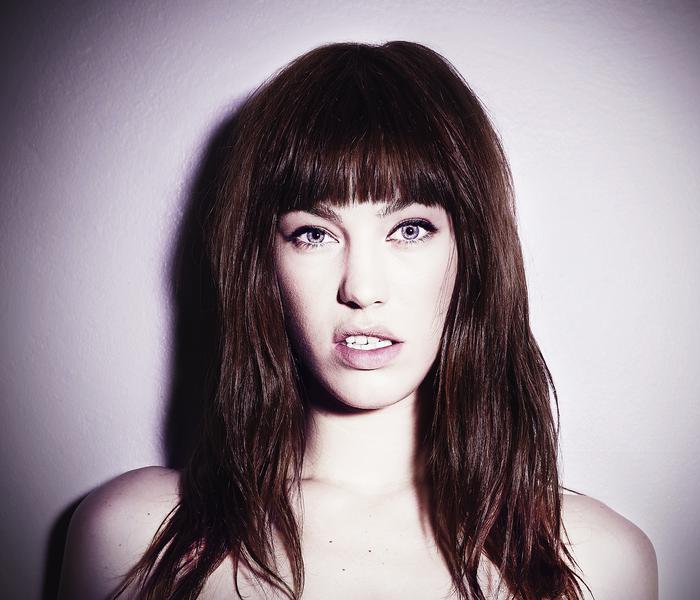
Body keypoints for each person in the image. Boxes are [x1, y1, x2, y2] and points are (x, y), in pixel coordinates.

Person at [58, 41, 657, 599]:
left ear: (470, 253)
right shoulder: (132, 537)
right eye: (314, 234)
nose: (362, 288)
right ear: (263, 264)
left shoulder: (599, 562)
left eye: (410, 229)